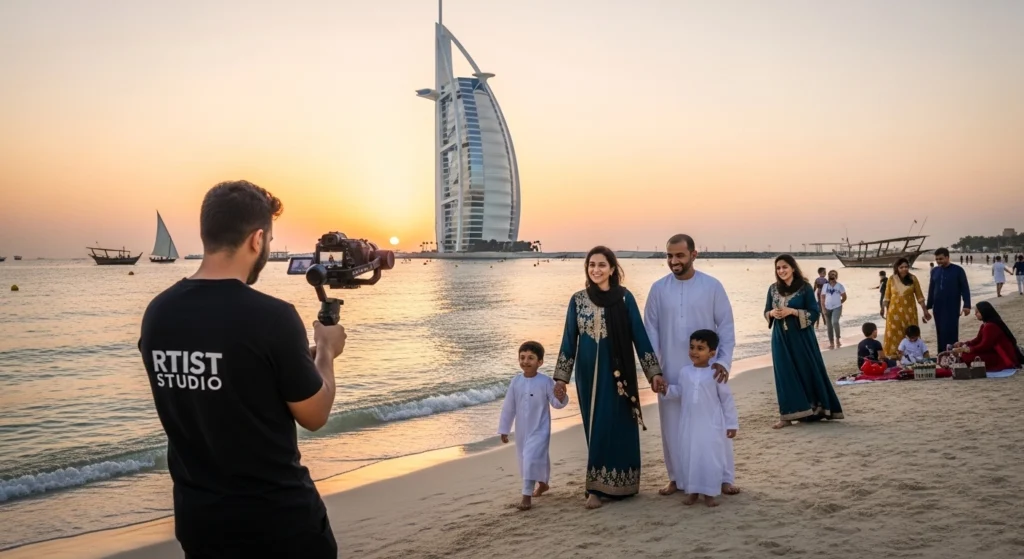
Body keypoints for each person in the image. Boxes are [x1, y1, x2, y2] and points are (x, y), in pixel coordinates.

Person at [139, 180, 345, 558]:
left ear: (207, 234)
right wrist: (327, 352)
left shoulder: (158, 314)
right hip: (278, 527)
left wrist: (297, 358)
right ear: (257, 239)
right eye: (268, 240)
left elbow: (233, 378)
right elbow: (315, 414)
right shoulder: (272, 317)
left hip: (201, 525)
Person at [553, 246, 664, 509]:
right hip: (588, 374)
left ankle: (622, 484)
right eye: (591, 265)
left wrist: (654, 373)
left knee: (620, 424)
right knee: (597, 426)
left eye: (602, 265)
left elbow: (639, 335)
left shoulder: (624, 299)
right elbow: (569, 340)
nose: (596, 270)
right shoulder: (578, 300)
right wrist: (561, 379)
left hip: (619, 375)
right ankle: (594, 488)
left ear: (612, 269)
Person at [643, 234, 737, 498]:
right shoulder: (658, 289)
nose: (674, 261)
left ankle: (724, 478)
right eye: (670, 256)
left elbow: (726, 327)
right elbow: (649, 331)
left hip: (709, 372)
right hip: (670, 369)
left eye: (680, 255)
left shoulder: (712, 286)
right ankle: (676, 478)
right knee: (672, 426)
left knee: (713, 426)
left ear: (694, 254)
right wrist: (654, 371)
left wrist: (722, 361)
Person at [763, 255, 844, 429]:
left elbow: (814, 313)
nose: (781, 271)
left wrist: (792, 311)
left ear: (793, 268)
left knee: (806, 370)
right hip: (780, 338)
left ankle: (812, 409)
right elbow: (766, 311)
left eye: (784, 267)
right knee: (784, 374)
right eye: (778, 268)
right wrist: (772, 314)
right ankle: (786, 416)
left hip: (801, 338)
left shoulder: (805, 288)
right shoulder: (772, 289)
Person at [661, 330, 738, 508]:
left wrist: (732, 424)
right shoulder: (685, 372)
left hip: (711, 424)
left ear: (712, 353)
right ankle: (693, 492)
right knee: (691, 456)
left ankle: (710, 494)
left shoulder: (717, 373)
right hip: (689, 424)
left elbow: (727, 400)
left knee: (709, 457)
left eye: (700, 348)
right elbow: (681, 392)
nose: (694, 352)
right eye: (692, 347)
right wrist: (666, 390)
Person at [498, 341, 569, 511]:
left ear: (540, 362)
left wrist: (561, 396)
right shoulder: (516, 381)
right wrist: (504, 429)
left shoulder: (545, 381)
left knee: (531, 457)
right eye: (522, 357)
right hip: (522, 430)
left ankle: (526, 496)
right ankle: (543, 484)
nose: (525, 361)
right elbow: (509, 407)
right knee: (528, 459)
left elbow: (556, 404)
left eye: (531, 358)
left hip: (540, 429)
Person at [952, 301, 1024, 371]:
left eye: (977, 312)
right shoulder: (985, 325)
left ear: (984, 312)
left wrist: (968, 349)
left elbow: (985, 346)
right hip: (993, 352)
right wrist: (964, 344)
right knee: (966, 355)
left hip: (1001, 356)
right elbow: (977, 340)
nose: (975, 314)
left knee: (967, 357)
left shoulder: (990, 326)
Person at [882, 257, 932, 358]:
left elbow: (920, 297)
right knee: (893, 334)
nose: (904, 269)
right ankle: (894, 356)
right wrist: (883, 309)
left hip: (909, 312)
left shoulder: (913, 279)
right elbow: (887, 297)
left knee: (911, 333)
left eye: (906, 267)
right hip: (894, 313)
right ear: (897, 268)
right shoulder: (891, 279)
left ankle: (913, 355)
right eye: (901, 267)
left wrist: (925, 311)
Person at [926, 248, 972, 354]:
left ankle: (952, 354)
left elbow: (965, 288)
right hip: (938, 307)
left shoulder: (958, 270)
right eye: (937, 259)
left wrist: (967, 305)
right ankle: (941, 355)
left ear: (947, 257)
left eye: (941, 259)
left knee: (951, 330)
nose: (939, 261)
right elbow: (931, 289)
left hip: (952, 306)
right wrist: (928, 307)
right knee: (940, 331)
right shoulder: (934, 271)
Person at [821, 270, 847, 349]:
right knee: (829, 326)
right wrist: (823, 308)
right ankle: (831, 342)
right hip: (827, 307)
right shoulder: (825, 286)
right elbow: (822, 298)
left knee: (835, 322)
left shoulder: (839, 286)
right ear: (828, 276)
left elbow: (844, 297)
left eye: (834, 275)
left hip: (837, 307)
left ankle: (838, 339)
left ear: (836, 276)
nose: (832, 276)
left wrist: (839, 303)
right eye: (831, 275)